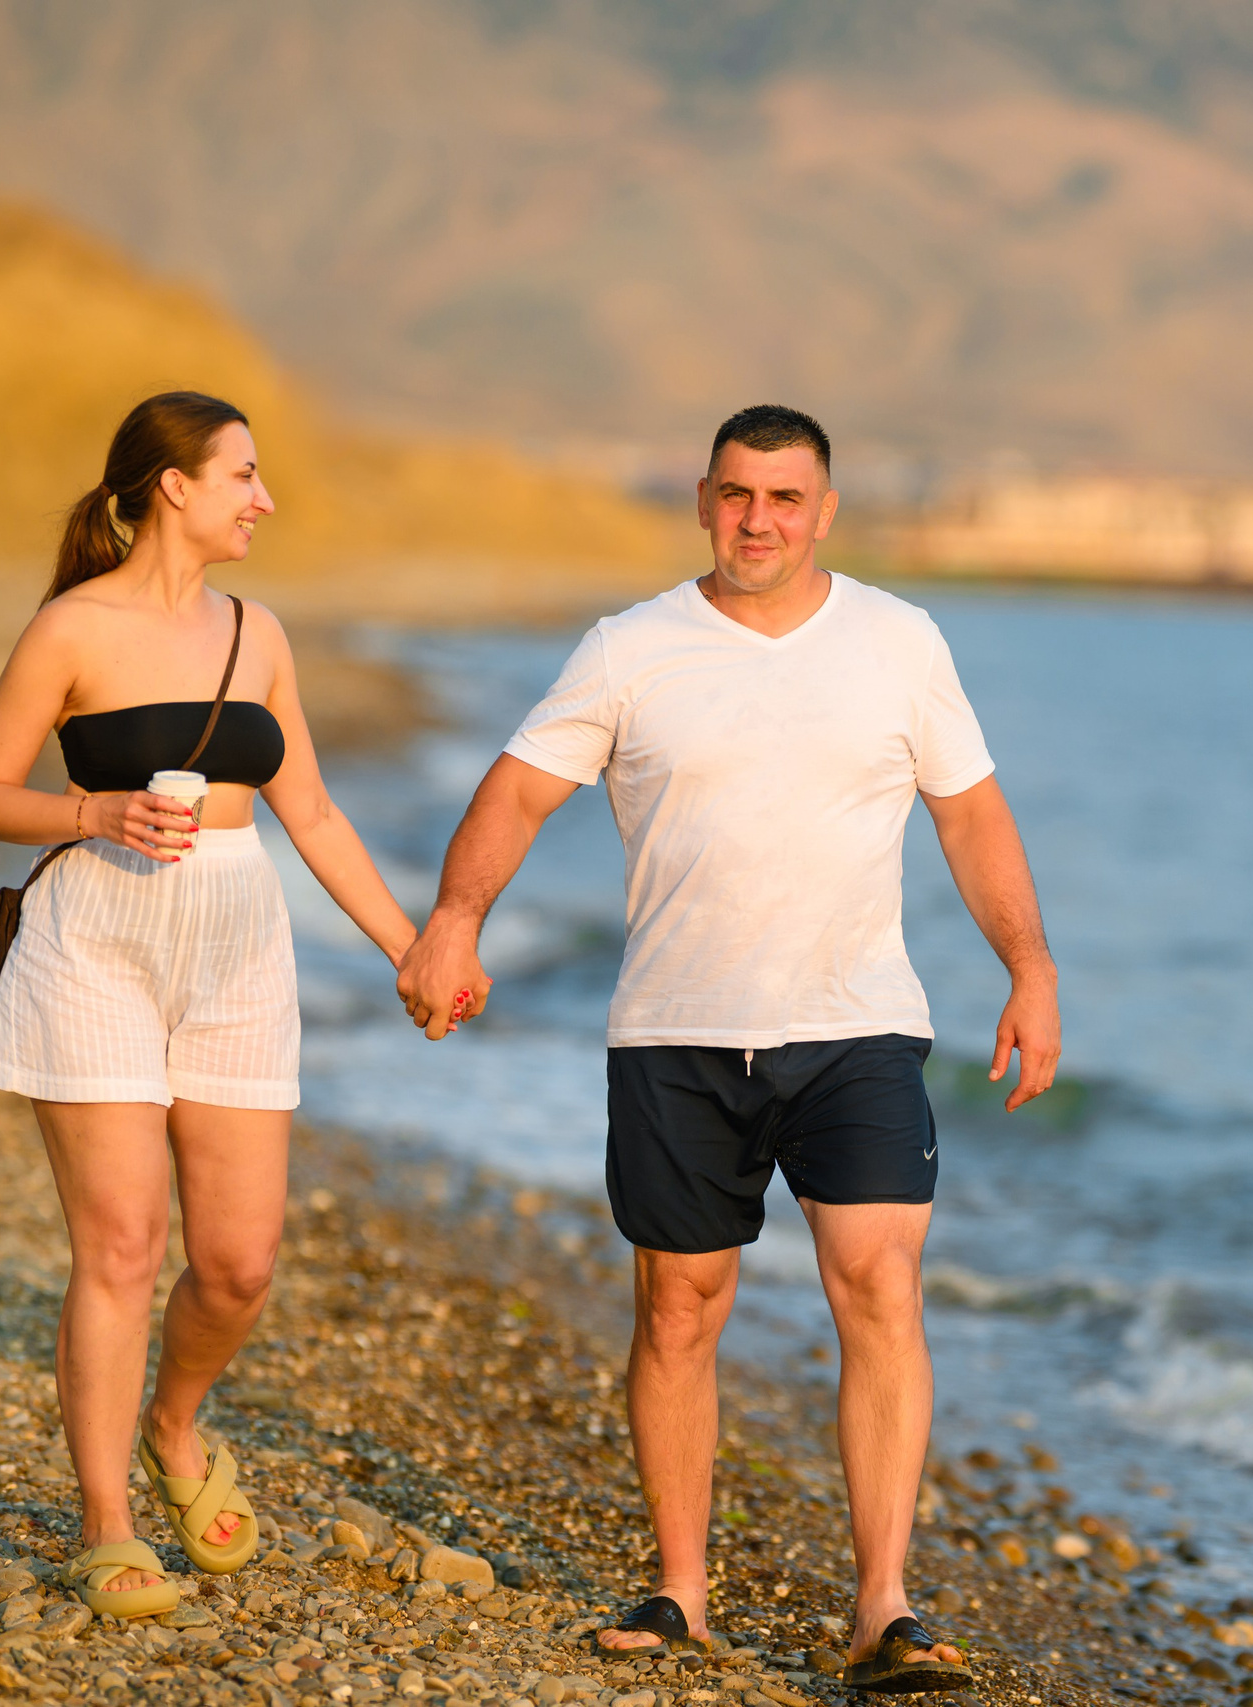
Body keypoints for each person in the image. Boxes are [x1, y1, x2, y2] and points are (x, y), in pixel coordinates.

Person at [394, 404, 1060, 1691]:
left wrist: (1029, 971)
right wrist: (454, 924)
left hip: (856, 1024)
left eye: (787, 499)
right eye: (739, 495)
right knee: (680, 1308)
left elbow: (973, 818)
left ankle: (883, 1608)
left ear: (824, 512)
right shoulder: (630, 649)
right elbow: (520, 786)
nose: (761, 520)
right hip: (675, 1031)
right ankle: (680, 1593)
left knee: (877, 1285)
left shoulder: (899, 642)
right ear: (704, 500)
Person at [0, 392, 419, 1619]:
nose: (263, 499)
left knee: (237, 1262)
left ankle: (175, 1421)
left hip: (237, 942)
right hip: (93, 937)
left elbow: (308, 810)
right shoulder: (71, 627)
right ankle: (105, 1521)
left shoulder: (257, 632)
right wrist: (91, 812)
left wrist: (408, 947)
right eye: (244, 476)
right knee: (119, 1247)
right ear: (174, 485)